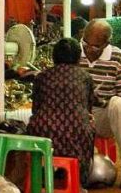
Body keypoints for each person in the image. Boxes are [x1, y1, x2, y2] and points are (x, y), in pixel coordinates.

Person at [80, 19, 121, 189]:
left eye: (96, 46)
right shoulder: (74, 51)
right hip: (76, 116)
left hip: (102, 115)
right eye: (86, 44)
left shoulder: (117, 57)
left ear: (106, 43)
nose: (89, 49)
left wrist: (101, 101)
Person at [27, 38, 95, 183]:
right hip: (76, 132)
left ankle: (41, 179)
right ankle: (78, 182)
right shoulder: (85, 77)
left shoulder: (42, 76)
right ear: (78, 57)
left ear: (54, 56)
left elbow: (35, 109)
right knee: (88, 126)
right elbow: (88, 109)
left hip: (44, 132)